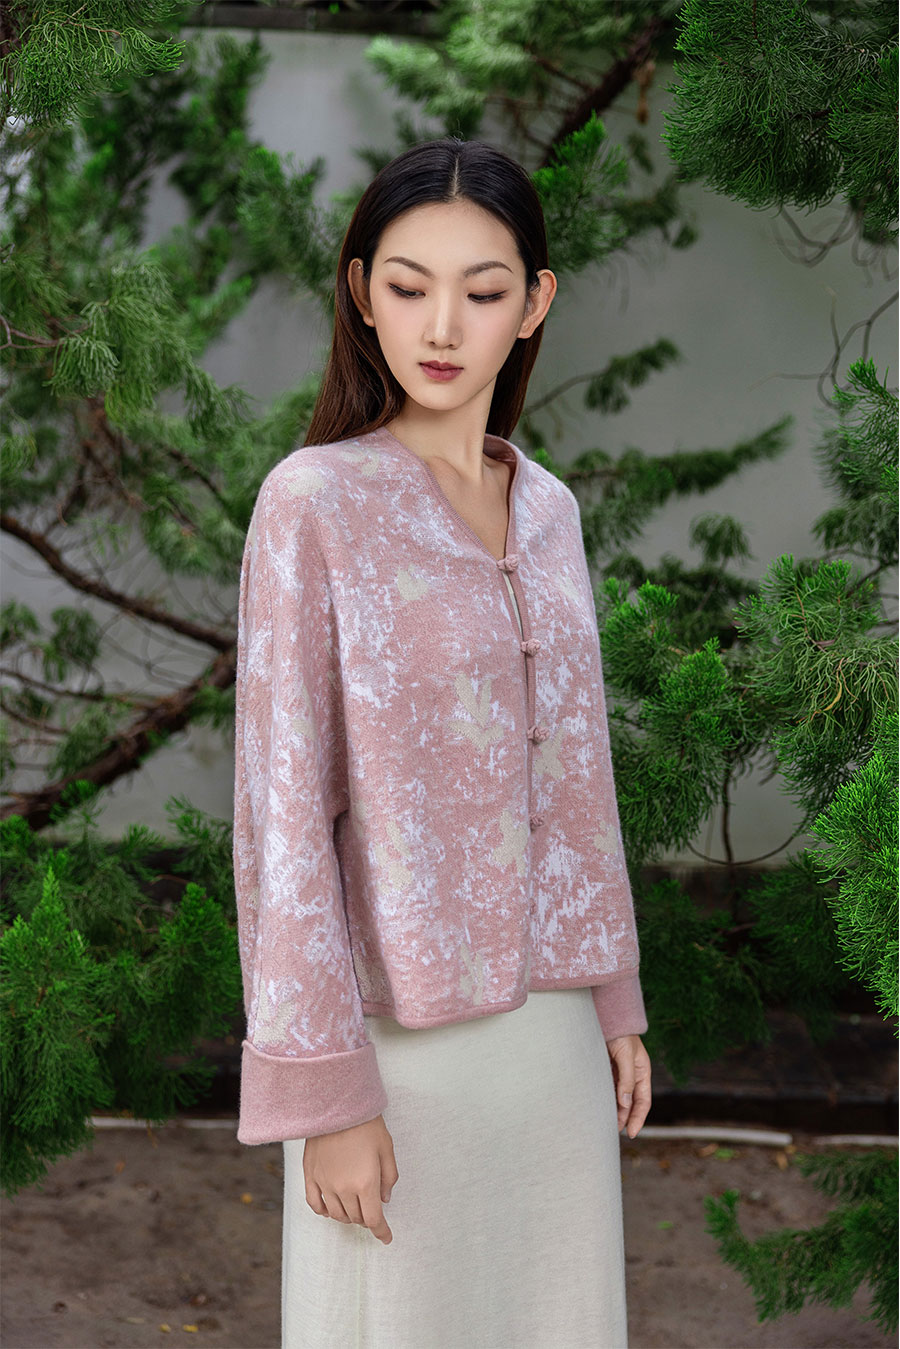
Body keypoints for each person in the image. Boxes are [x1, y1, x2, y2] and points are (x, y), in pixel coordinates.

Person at [232, 135, 652, 1349]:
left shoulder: (550, 509)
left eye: (484, 288)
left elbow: (578, 775)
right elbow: (280, 816)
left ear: (535, 304)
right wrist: (325, 1093)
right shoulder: (313, 503)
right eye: (410, 286)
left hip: (551, 1043)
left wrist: (614, 999)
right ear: (362, 293)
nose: (444, 325)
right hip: (395, 1055)